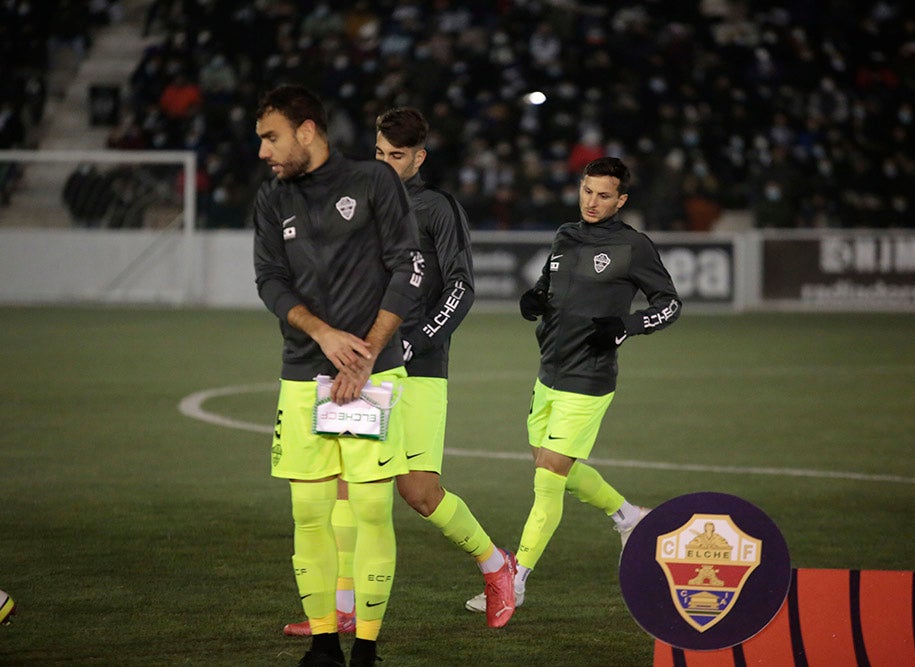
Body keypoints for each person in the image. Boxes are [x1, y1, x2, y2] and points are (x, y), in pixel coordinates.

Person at [283, 107, 516, 637]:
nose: (387, 165)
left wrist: (413, 342)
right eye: (380, 154)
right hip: (360, 367)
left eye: (398, 157)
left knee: (418, 493)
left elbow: (461, 287)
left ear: (419, 157)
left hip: (420, 368)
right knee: (345, 486)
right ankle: (344, 607)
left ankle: (496, 566)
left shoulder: (437, 209)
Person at [252, 84, 424, 667]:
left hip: (375, 375)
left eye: (270, 137)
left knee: (373, 511)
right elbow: (271, 282)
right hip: (304, 373)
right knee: (309, 512)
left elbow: (408, 266)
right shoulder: (272, 200)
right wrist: (323, 335)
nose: (263, 152)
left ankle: (368, 647)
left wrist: (367, 353)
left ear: (307, 130)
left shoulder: (374, 182)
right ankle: (325, 640)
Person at [466, 156, 681, 614]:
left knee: (547, 481)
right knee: (552, 467)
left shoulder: (632, 247)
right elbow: (548, 286)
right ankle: (629, 516)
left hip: (589, 377)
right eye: (587, 191)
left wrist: (628, 325)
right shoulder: (565, 235)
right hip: (549, 371)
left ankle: (514, 581)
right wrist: (534, 301)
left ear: (621, 200)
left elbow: (670, 304)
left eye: (604, 195)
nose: (593, 201)